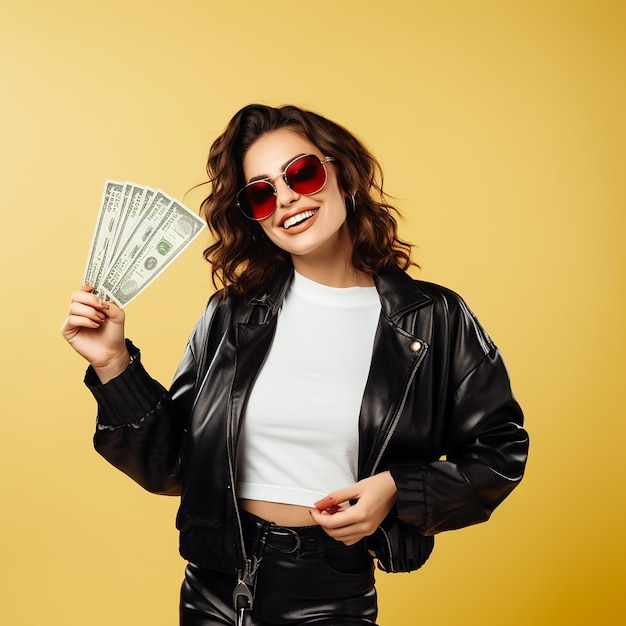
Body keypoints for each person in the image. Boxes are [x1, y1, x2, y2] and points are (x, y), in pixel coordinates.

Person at [61, 104, 529, 626]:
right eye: (261, 193)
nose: (285, 198)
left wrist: (398, 487)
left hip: (331, 588)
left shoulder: (433, 318)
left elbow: (499, 453)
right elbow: (173, 465)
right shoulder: (232, 314)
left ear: (344, 176)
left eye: (301, 173)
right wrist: (112, 362)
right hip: (214, 584)